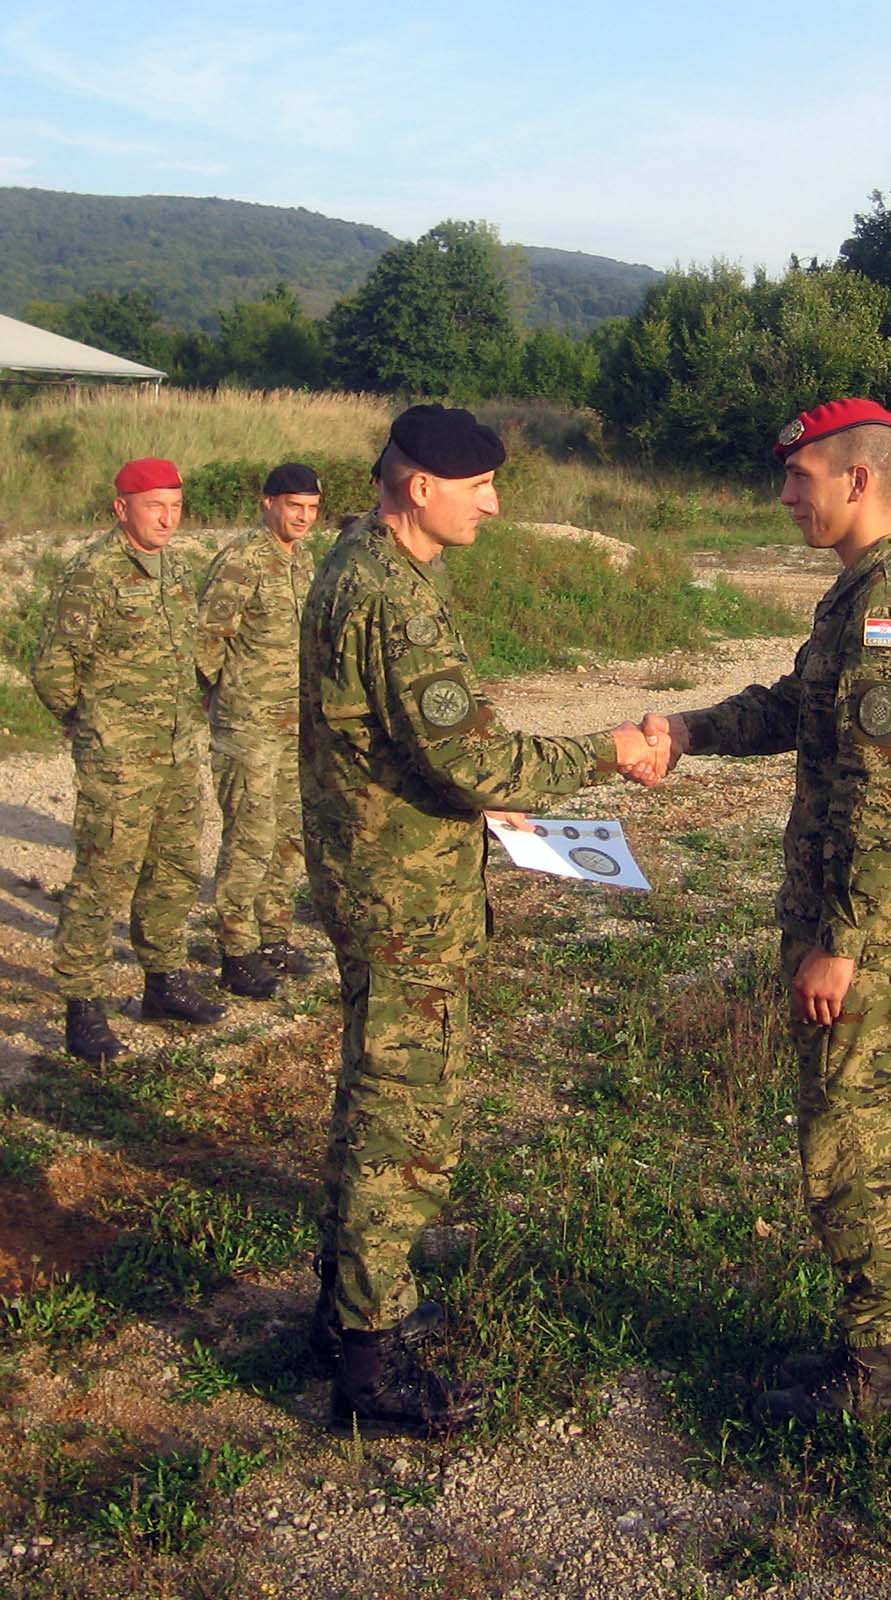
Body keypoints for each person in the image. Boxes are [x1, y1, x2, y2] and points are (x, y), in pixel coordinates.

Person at [300, 403, 665, 1434]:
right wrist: (605, 751)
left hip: (376, 873)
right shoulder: (393, 597)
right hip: (403, 898)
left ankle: (344, 1309)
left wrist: (478, 797)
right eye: (480, 487)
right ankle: (368, 1365)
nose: (495, 505)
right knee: (403, 1116)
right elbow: (471, 758)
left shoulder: (358, 563)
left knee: (372, 1092)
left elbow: (408, 747)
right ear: (420, 487)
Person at [638, 399, 891, 1424]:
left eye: (800, 476)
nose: (784, 495)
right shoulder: (859, 595)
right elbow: (795, 705)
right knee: (862, 1124)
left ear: (858, 479)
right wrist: (688, 728)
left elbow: (887, 793)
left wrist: (841, 944)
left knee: (853, 1138)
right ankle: (879, 1343)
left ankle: (879, 1373)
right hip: (854, 919)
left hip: (861, 929)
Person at [32, 457, 225, 1065]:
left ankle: (163, 981)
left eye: (175, 507)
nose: (167, 519)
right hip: (118, 759)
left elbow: (188, 655)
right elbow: (54, 669)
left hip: (176, 749)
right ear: (122, 509)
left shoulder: (176, 568)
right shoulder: (94, 573)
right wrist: (90, 726)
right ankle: (82, 1004)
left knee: (175, 869)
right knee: (104, 875)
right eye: (154, 507)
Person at [196, 463, 322, 999]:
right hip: (247, 725)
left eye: (312, 508)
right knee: (250, 837)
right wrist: (218, 695)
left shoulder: (302, 560)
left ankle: (274, 935)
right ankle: (236, 949)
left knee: (290, 835)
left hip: (294, 723)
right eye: (295, 506)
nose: (304, 517)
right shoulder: (242, 559)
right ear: (268, 503)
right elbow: (208, 637)